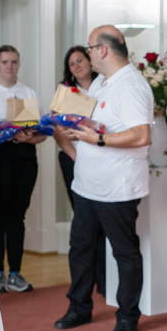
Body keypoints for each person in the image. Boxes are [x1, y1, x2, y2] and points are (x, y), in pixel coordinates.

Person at [53, 26, 152, 331]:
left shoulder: (131, 85)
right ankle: (79, 307)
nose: (88, 53)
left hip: (117, 187)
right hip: (87, 184)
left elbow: (141, 134)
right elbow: (97, 125)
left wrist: (97, 140)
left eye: (90, 48)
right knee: (80, 248)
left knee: (124, 252)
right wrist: (73, 128)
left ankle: (128, 315)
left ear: (103, 50)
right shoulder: (100, 83)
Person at [0, 45, 47, 294]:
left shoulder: (28, 92)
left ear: (18, 65)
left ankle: (15, 273)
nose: (9, 66)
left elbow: (41, 134)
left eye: (14, 62)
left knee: (17, 216)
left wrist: (29, 137)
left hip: (24, 156)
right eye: (4, 62)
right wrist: (1, 132)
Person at [57, 44, 106, 295]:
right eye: (72, 63)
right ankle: (88, 281)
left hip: (102, 158)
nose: (76, 66)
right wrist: (77, 157)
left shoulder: (104, 85)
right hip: (73, 158)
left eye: (80, 60)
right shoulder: (66, 92)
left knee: (104, 221)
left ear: (90, 61)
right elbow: (58, 132)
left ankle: (105, 279)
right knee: (84, 221)